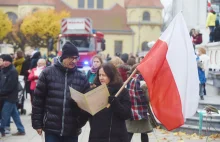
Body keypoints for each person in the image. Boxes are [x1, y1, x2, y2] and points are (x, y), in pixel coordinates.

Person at [32, 42, 90, 142]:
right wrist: (37, 123)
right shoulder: (47, 73)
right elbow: (38, 100)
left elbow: (87, 104)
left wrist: (79, 122)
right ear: (64, 57)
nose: (74, 61)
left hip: (72, 129)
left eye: (76, 58)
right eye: (71, 58)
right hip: (51, 128)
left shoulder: (81, 77)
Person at [89, 62, 131, 142]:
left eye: (104, 75)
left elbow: (127, 114)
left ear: (111, 75)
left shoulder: (122, 91)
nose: (101, 78)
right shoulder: (94, 91)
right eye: (99, 75)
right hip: (96, 136)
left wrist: (116, 104)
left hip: (116, 137)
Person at [126, 64, 153, 142]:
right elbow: (147, 99)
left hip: (131, 112)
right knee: (144, 133)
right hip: (141, 112)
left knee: (129, 132)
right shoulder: (142, 82)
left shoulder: (128, 81)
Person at [0, 54, 26, 136]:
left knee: (4, 114)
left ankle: (2, 130)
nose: (5, 62)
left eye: (7, 61)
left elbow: (10, 86)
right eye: (4, 61)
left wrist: (1, 92)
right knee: (15, 114)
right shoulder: (3, 70)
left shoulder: (13, 71)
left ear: (10, 62)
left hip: (10, 97)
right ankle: (21, 130)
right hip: (4, 96)